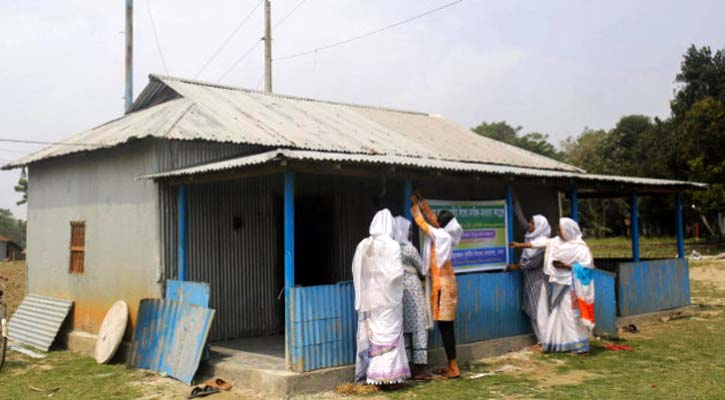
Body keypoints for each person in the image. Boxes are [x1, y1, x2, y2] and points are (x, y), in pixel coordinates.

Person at [515, 217, 595, 354]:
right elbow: (539, 243)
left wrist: (566, 266)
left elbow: (587, 267)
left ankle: (581, 347)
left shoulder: (581, 248)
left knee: (571, 316)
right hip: (559, 284)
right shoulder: (556, 243)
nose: (557, 232)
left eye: (560, 229)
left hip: (572, 287)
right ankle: (560, 344)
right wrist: (519, 245)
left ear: (568, 230)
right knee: (559, 315)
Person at [352, 209, 410, 385]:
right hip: (389, 300)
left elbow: (357, 271)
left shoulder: (364, 245)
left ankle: (376, 375)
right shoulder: (392, 245)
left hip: (372, 299)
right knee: (391, 335)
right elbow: (396, 274)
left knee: (376, 336)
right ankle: (392, 376)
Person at [410, 193, 463, 379]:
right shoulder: (446, 234)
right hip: (447, 284)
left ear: (443, 225)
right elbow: (433, 220)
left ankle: (453, 367)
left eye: (438, 222)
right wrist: (423, 202)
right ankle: (452, 364)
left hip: (444, 287)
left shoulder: (442, 236)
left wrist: (415, 207)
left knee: (446, 326)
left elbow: (424, 224)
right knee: (445, 326)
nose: (435, 222)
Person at [508, 200, 551, 344]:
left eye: (533, 224)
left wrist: (516, 266)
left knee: (540, 312)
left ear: (539, 227)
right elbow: (523, 223)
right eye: (531, 223)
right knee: (534, 310)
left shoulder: (543, 242)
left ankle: (545, 341)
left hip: (538, 282)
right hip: (530, 281)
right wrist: (516, 204)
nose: (530, 226)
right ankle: (542, 341)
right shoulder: (532, 236)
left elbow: (532, 263)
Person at [393, 215, 430, 379]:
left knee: (405, 328)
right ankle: (420, 367)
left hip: (398, 290)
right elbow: (422, 269)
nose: (410, 233)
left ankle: (407, 364)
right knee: (419, 325)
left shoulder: (392, 248)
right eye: (408, 230)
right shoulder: (409, 248)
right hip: (413, 289)